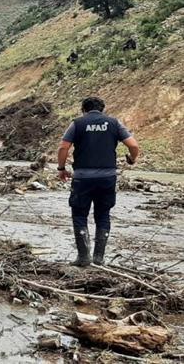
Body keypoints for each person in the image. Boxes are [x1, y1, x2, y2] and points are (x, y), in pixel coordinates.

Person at [57, 97, 139, 267]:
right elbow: (134, 145)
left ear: (83, 109)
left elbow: (63, 147)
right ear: (102, 109)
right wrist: (131, 159)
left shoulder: (77, 124)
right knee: (103, 215)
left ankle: (83, 257)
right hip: (107, 178)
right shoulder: (114, 123)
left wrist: (61, 168)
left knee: (79, 214)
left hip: (82, 178)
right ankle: (99, 258)